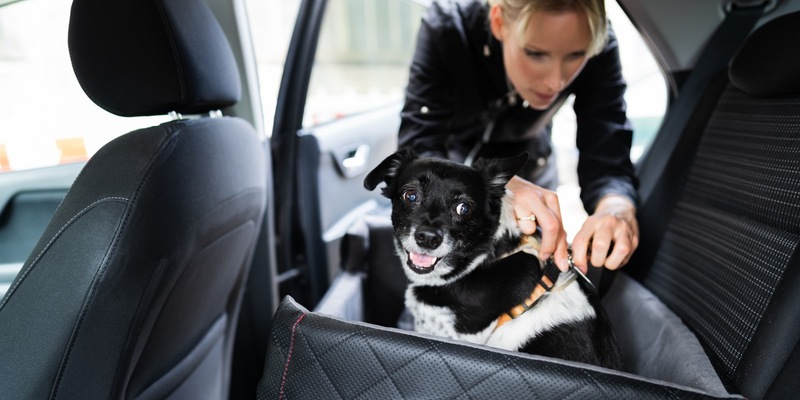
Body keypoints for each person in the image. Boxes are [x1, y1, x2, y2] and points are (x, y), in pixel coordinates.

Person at [398, 0, 639, 273]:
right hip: (445, 176)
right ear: (499, 22)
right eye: (536, 53)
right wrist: (493, 187)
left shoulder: (598, 41)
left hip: (531, 166)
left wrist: (616, 208)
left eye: (576, 56)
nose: (556, 81)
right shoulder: (448, 28)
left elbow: (607, 153)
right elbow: (419, 143)